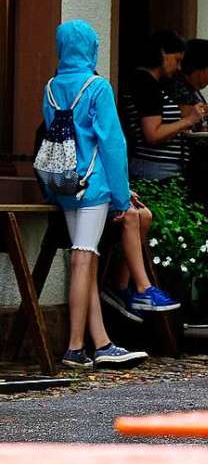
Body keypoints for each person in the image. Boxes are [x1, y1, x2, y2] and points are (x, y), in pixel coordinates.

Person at [42, 20, 148, 369]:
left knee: (83, 256)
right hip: (94, 186)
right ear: (91, 48)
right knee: (83, 257)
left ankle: (101, 342)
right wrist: (121, 197)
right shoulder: (98, 87)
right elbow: (113, 144)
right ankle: (75, 348)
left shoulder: (52, 87)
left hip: (63, 184)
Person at [122, 30, 206, 182]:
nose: (179, 67)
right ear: (162, 53)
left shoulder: (153, 83)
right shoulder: (146, 83)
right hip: (155, 169)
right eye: (177, 60)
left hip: (159, 168)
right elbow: (153, 134)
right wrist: (188, 120)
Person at [165, 39, 208, 220]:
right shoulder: (177, 85)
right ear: (198, 66)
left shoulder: (192, 89)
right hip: (195, 160)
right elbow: (182, 113)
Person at [100, 193, 180, 322]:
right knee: (130, 215)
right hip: (95, 197)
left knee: (145, 214)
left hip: (110, 193)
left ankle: (120, 286)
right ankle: (143, 288)